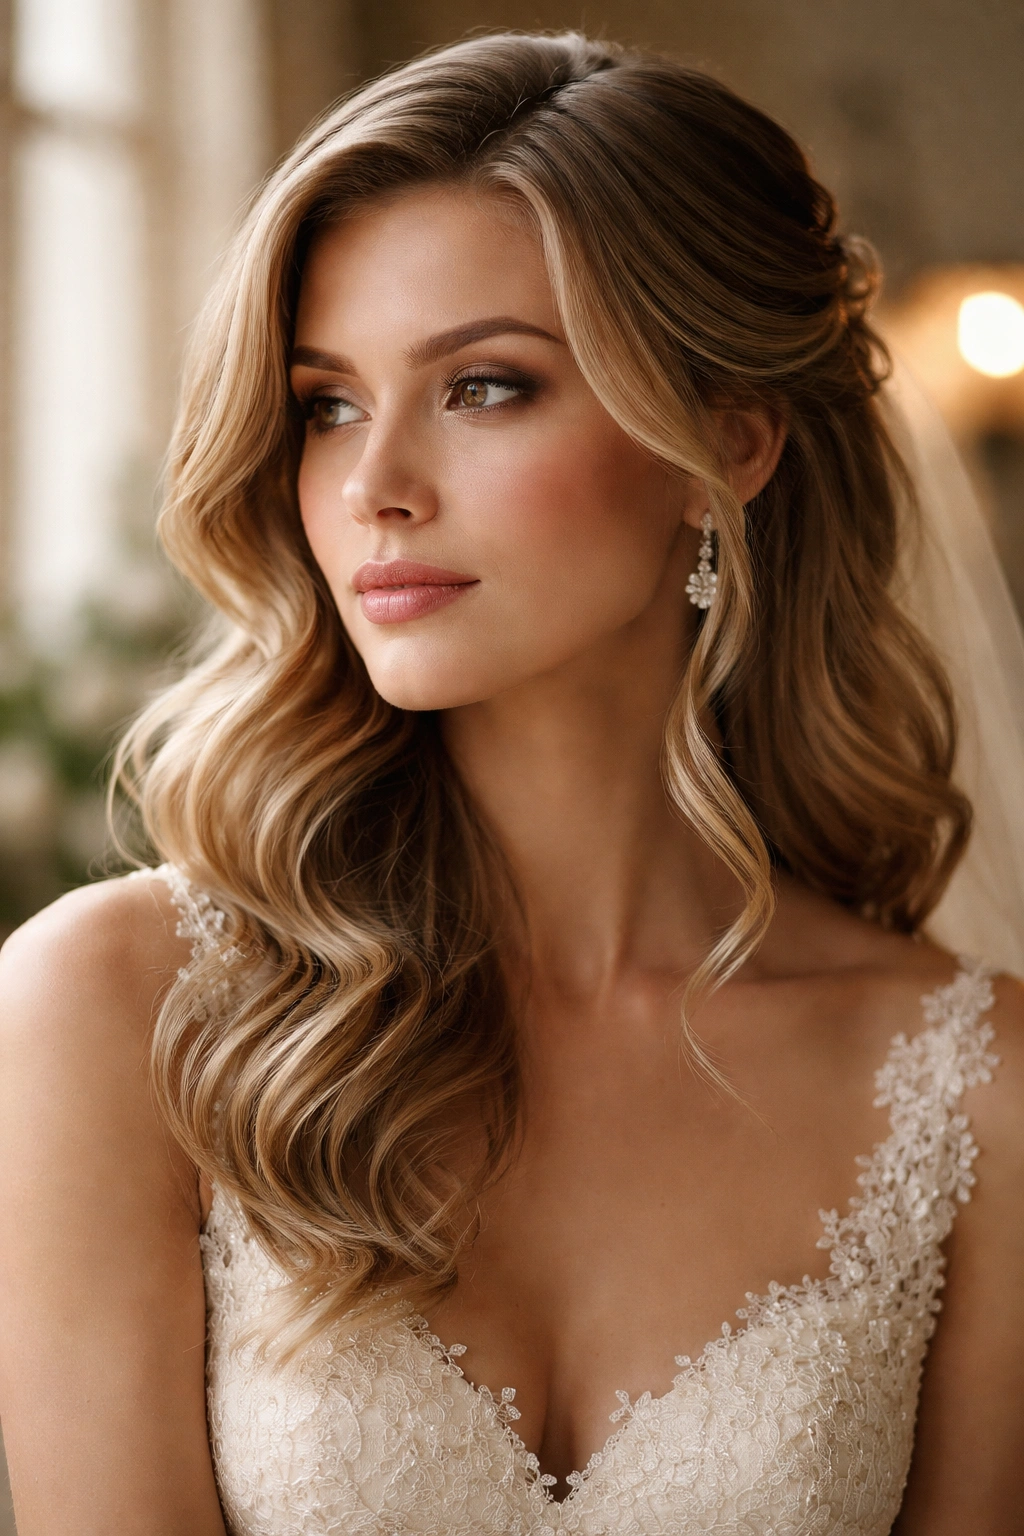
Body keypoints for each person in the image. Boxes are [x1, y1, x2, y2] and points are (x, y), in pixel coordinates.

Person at [1, 31, 1022, 1536]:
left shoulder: (977, 1095)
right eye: (327, 404)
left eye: (484, 387)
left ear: (726, 443)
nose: (373, 486)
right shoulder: (114, 1008)